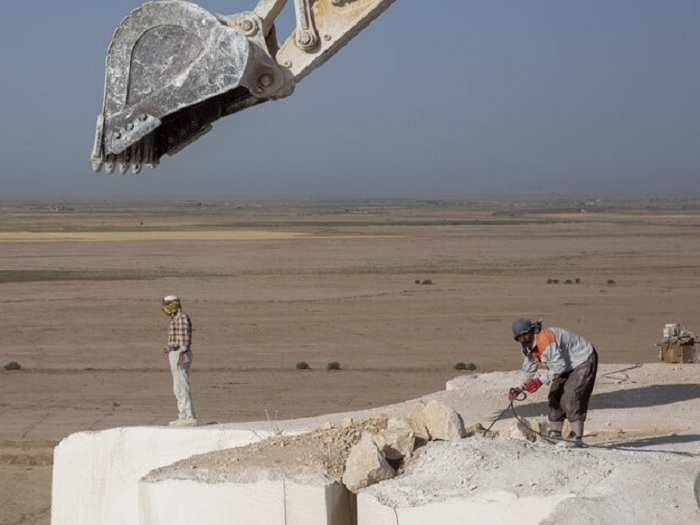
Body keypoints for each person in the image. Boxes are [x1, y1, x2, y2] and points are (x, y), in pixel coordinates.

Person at [508, 318, 598, 446]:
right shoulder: (526, 347)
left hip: (582, 359)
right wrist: (519, 387)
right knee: (554, 396)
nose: (523, 339)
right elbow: (528, 369)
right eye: (519, 337)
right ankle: (555, 434)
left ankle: (576, 437)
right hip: (564, 364)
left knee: (572, 396)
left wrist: (539, 381)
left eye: (525, 335)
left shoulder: (545, 340)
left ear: (532, 331)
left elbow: (559, 366)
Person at [161, 294, 197, 427]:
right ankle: (183, 415)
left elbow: (184, 339)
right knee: (178, 387)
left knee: (182, 386)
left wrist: (181, 354)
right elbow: (178, 338)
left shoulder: (181, 318)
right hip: (175, 351)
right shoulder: (175, 318)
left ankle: (189, 416)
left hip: (180, 354)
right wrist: (169, 346)